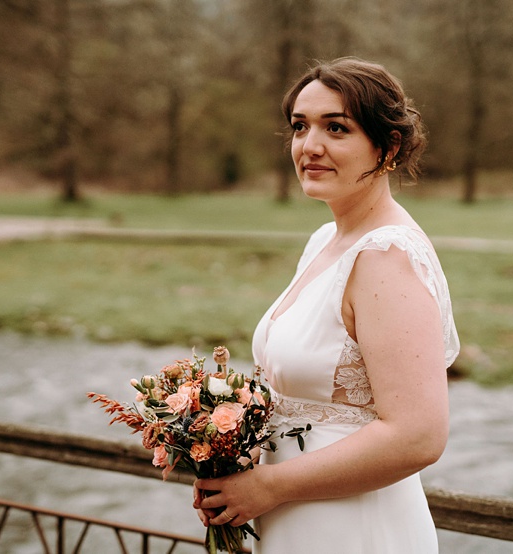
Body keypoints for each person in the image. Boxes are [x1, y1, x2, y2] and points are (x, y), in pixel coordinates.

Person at [193, 57, 459, 553]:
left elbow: (418, 436)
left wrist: (268, 487)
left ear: (388, 147)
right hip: (292, 520)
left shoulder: (386, 256)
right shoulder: (325, 241)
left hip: (354, 529)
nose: (309, 146)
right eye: (300, 126)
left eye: (336, 128)